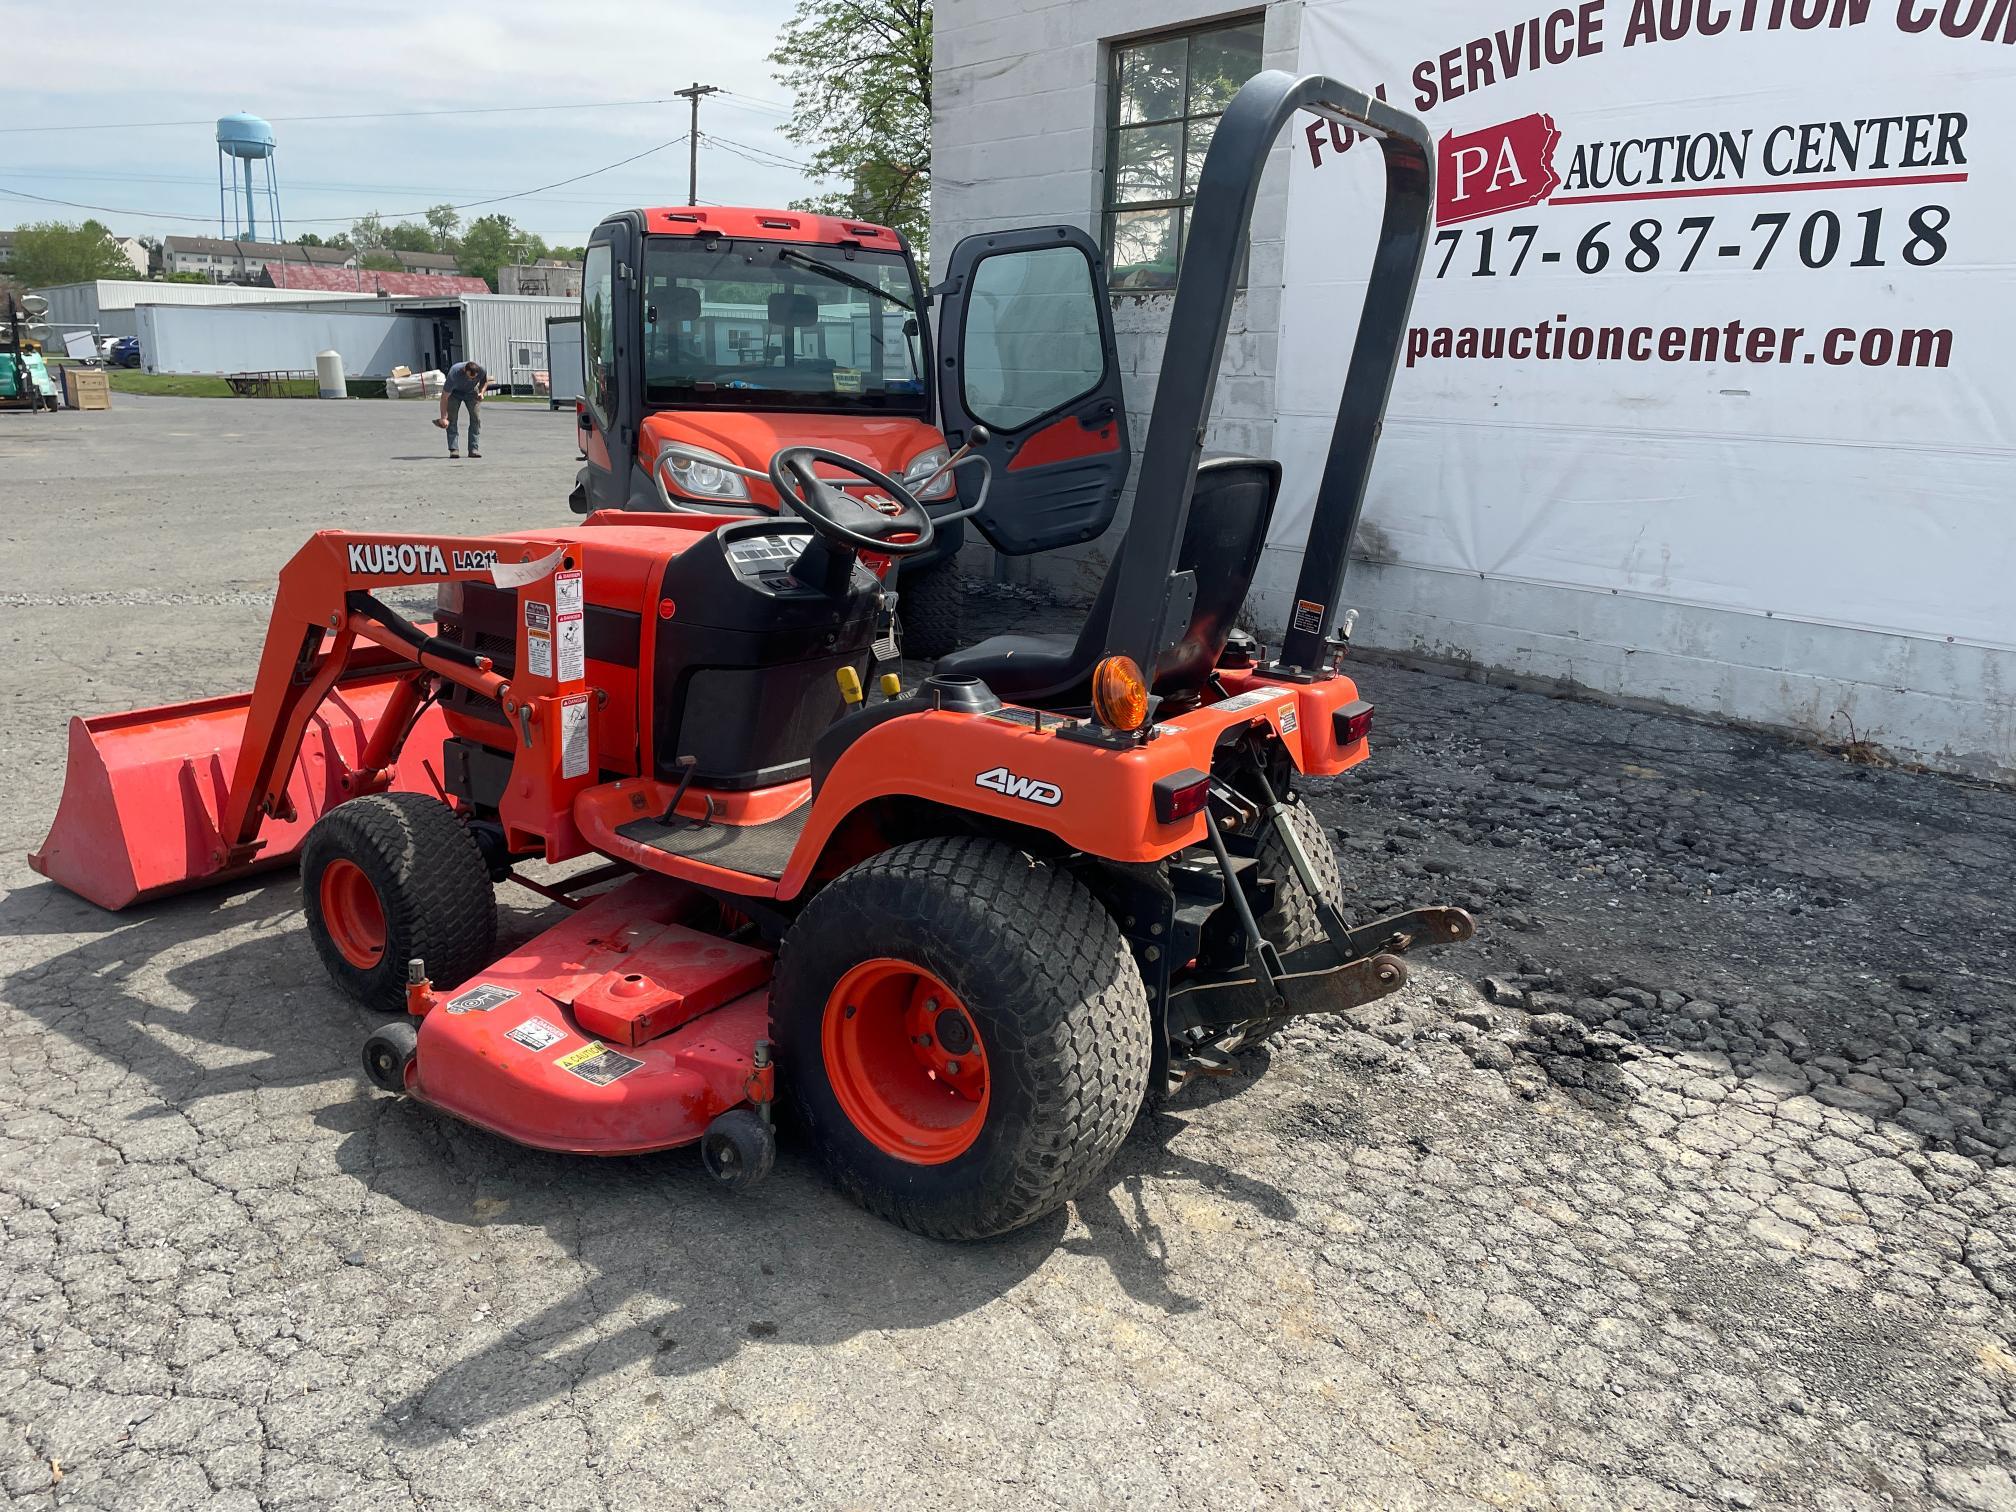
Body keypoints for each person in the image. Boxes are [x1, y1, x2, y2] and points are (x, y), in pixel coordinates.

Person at [434, 360, 488, 458]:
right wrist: (443, 417)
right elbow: (444, 397)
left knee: (476, 419)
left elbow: (484, 382)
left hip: (471, 393)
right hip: (454, 394)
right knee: (452, 419)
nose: (471, 380)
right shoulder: (454, 373)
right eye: (469, 377)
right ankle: (454, 449)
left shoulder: (481, 370)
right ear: (464, 370)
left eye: (474, 378)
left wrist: (481, 392)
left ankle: (473, 449)